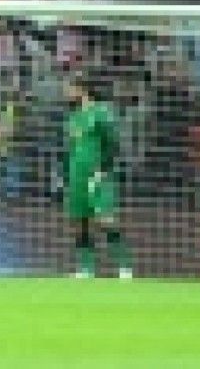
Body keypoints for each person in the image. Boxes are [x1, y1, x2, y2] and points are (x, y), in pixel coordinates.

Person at [64, 76, 132, 279]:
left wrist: (103, 169)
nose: (67, 92)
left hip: (97, 175)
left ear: (82, 89)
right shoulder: (74, 116)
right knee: (80, 221)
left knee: (105, 219)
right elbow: (72, 148)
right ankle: (86, 269)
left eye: (70, 88)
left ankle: (124, 267)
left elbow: (113, 144)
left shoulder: (102, 112)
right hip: (76, 175)